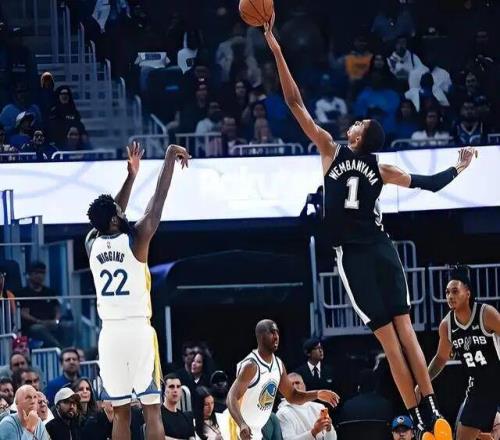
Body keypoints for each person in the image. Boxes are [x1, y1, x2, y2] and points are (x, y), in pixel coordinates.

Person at [263, 13, 477, 440]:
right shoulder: (382, 168)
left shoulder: (331, 150)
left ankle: (418, 418)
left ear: (358, 138)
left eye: (358, 124)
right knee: (407, 331)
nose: (353, 123)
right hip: (382, 248)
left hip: (355, 257)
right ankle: (433, 410)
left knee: (390, 343)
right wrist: (459, 166)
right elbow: (430, 184)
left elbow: (294, 103)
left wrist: (276, 47)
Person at [85, 142, 189, 440]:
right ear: (114, 219)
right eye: (118, 211)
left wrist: (131, 177)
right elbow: (158, 199)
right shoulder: (137, 239)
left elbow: (110, 215)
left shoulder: (91, 242)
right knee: (152, 409)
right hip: (138, 331)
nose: (122, 211)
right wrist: (169, 156)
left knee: (120, 413)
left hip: (109, 334)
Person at [420, 266, 500, 440]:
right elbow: (441, 358)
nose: (450, 296)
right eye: (447, 292)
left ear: (468, 293)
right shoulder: (446, 326)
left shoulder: (486, 314)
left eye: (455, 291)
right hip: (478, 388)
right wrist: (423, 382)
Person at [226, 319, 339, 440]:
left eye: (277, 333)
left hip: (256, 431)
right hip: (238, 428)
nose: (276, 337)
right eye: (272, 332)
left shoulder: (278, 364)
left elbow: (293, 396)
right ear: (261, 337)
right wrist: (242, 424)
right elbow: (231, 397)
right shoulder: (251, 365)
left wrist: (317, 394)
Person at [16, 260, 73, 348]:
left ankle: (67, 349)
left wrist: (56, 320)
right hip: (34, 325)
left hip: (51, 323)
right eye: (37, 273)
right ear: (29, 275)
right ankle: (60, 349)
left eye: (42, 273)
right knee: (38, 329)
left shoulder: (49, 292)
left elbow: (57, 309)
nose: (40, 276)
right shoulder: (23, 293)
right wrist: (39, 321)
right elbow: (24, 313)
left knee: (68, 326)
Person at [276, 372, 337, 440]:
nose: (295, 387)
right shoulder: (282, 413)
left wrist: (329, 429)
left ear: (304, 386)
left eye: (297, 383)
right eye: (291, 384)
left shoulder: (319, 407)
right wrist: (314, 432)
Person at [161, 373, 195, 440]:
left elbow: (192, 437)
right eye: (171, 387)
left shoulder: (186, 417)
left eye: (178, 387)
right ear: (164, 391)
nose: (175, 390)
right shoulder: (158, 416)